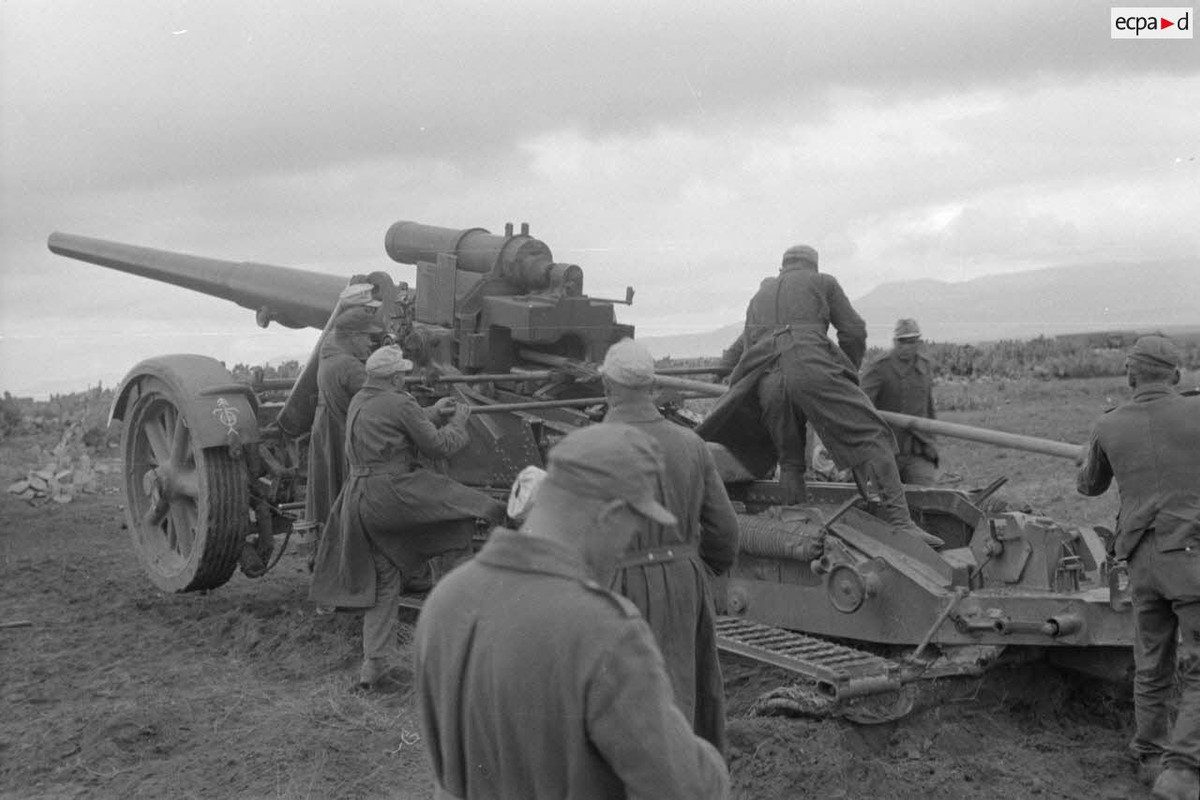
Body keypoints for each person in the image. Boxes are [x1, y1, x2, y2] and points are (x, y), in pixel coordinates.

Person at [415, 424, 730, 800]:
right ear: (610, 515)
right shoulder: (603, 631)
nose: (623, 548)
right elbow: (685, 789)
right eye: (631, 530)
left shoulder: (447, 599)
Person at [716, 244, 942, 548]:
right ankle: (902, 522)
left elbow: (747, 346)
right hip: (811, 368)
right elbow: (853, 330)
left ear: (782, 267)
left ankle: (794, 517)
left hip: (768, 378)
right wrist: (845, 371)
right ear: (813, 266)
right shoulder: (823, 282)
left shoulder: (760, 295)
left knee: (791, 459)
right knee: (873, 435)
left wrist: (735, 376)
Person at [309, 345, 504, 690]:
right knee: (466, 512)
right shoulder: (400, 402)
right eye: (402, 373)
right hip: (394, 493)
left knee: (385, 579)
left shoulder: (362, 400)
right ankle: (467, 624)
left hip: (360, 497)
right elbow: (439, 447)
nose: (404, 377)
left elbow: (394, 421)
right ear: (396, 376)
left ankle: (375, 669)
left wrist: (430, 411)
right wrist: (459, 421)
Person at [599, 337, 741, 752]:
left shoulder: (587, 449)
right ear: (652, 388)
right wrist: (695, 570)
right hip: (683, 584)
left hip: (615, 586)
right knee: (681, 695)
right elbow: (725, 533)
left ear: (608, 388)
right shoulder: (691, 444)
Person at [1077, 335, 1200, 800]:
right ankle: (1183, 769)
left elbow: (1089, 486)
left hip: (1142, 562)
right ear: (1176, 374)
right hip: (1191, 556)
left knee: (1152, 662)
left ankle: (1149, 755)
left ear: (1130, 377)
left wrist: (1087, 458)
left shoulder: (1108, 425)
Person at [303, 285, 383, 539]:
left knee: (329, 490)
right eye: (365, 336)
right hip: (342, 431)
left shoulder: (330, 346)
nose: (370, 341)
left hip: (327, 426)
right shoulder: (350, 367)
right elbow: (382, 402)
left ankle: (330, 539)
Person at [861, 318, 939, 486]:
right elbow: (861, 408)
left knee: (927, 499)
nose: (906, 346)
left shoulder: (924, 366)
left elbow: (928, 407)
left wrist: (931, 440)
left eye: (911, 341)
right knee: (885, 504)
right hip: (886, 451)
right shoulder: (879, 367)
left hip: (918, 451)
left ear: (918, 342)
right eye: (902, 341)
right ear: (895, 341)